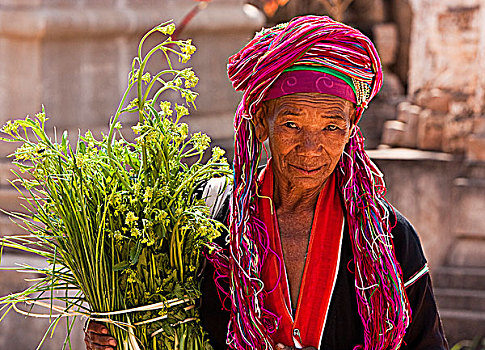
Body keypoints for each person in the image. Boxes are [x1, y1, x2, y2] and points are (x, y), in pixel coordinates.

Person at [85, 16, 448, 350]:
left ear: (352, 130)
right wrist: (114, 335)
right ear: (260, 122)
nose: (311, 148)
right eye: (292, 124)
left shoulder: (386, 239)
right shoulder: (207, 227)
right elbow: (160, 330)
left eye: (331, 127)